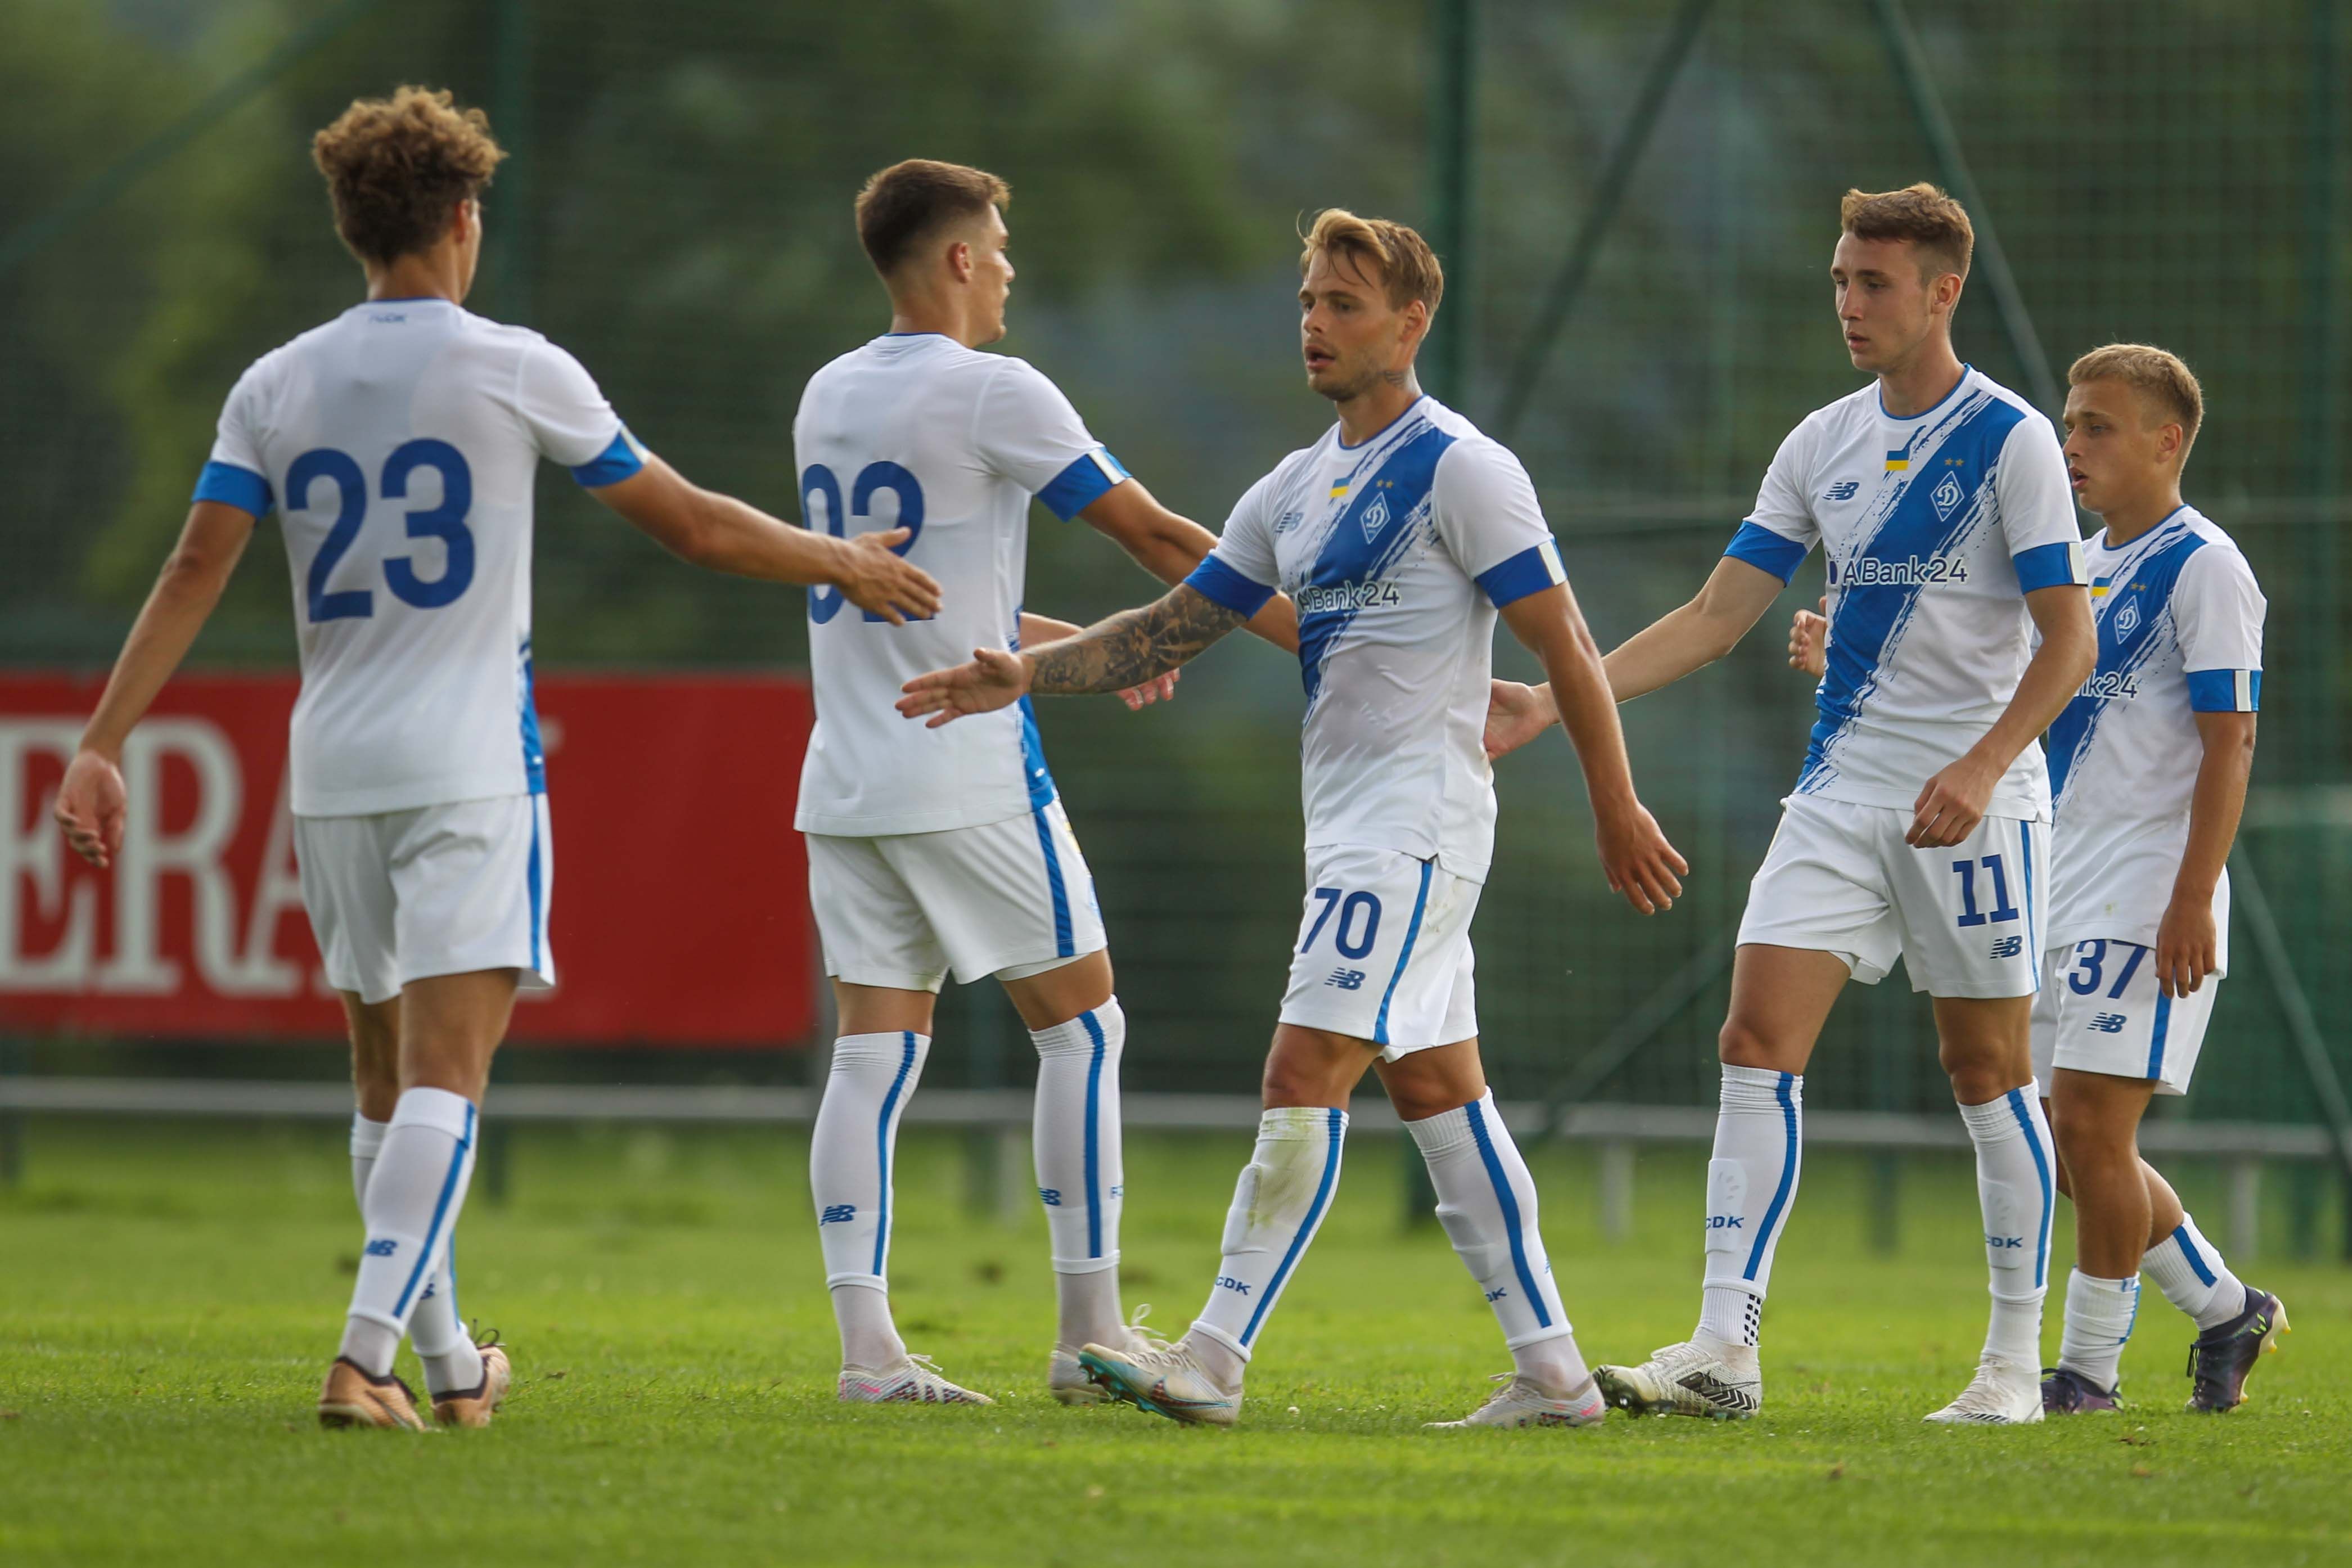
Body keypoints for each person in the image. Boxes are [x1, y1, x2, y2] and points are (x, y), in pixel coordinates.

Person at [51, 86, 938, 1431]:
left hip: (332, 766)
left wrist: (104, 739)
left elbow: (195, 566)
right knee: (448, 1080)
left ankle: (454, 1360)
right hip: (468, 764)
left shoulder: (276, 381)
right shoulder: (515, 363)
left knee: (382, 1080)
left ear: (354, 225)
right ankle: (364, 1357)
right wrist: (841, 562)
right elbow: (689, 523)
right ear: (463, 220)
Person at [900, 209, 1686, 1429]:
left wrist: (1616, 802)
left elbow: (1566, 643)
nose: (1315, 325)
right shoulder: (1294, 486)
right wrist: (1022, 670)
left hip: (1415, 829)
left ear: (1411, 322)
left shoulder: (1461, 467)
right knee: (1440, 1093)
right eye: (1309, 303)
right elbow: (1168, 629)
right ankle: (1556, 1374)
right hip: (1355, 830)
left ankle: (1212, 1356)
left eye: (1344, 305)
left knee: (1302, 1068)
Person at [1487, 184, 2096, 1425]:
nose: (1849, 304)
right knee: (1754, 1040)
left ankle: (2011, 1367)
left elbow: (2069, 642)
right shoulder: (1819, 441)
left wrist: (1980, 766)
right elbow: (1719, 616)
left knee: (1986, 1069)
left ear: (1941, 292)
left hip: (1979, 805)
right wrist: (1560, 699)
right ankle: (1723, 1348)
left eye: (1873, 283)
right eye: (1839, 280)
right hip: (1837, 792)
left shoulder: (2014, 439)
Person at [797, 159, 1300, 1406]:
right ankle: (1090, 1334)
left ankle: (869, 1354)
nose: (1013, 266)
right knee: (1083, 1025)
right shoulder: (993, 389)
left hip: (848, 772)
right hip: (966, 770)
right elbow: (1167, 540)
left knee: (872, 1055)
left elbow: (922, 586)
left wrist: (1069, 645)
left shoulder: (829, 394)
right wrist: (1318, 635)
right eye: (1002, 244)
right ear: (959, 259)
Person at [1787, 343, 2283, 1414]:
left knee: (2095, 1133)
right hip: (2053, 883)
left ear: (2168, 440)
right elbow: (1975, 678)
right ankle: (2224, 1304)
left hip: (2148, 892)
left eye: (2098, 427)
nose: (2072, 445)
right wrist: (1844, 648)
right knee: (2063, 1142)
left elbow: (2229, 740)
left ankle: (2085, 1371)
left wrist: (2192, 896)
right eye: (2068, 423)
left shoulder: (2204, 565)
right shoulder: (2071, 567)